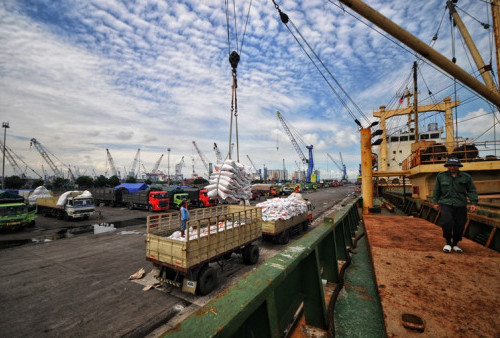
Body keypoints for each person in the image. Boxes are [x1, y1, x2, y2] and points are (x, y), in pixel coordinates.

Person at [433, 157, 478, 253]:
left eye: (454, 166)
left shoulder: (466, 177)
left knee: (460, 225)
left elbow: (471, 190)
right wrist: (435, 202)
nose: (452, 167)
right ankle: (448, 242)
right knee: (447, 222)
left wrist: (473, 203)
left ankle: (455, 244)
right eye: (450, 165)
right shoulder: (441, 176)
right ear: (447, 166)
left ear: (458, 166)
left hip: (460, 204)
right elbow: (437, 190)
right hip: (446, 203)